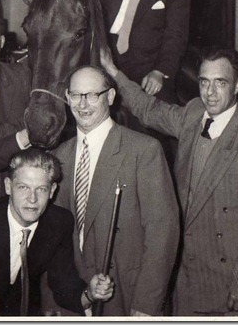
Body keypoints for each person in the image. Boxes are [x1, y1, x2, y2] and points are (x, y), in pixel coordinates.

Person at [100, 46, 238, 315]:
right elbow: (148, 109)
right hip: (189, 281)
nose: (210, 92)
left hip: (234, 288)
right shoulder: (193, 114)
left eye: (220, 83)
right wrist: (113, 72)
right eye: (204, 82)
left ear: (237, 85)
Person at [52, 65, 180, 316]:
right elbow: (53, 239)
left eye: (93, 95)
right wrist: (52, 301)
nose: (83, 104)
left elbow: (162, 233)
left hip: (125, 296)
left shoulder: (143, 150)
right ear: (67, 97)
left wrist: (146, 304)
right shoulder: (59, 156)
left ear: (110, 97)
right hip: (75, 299)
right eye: (76, 95)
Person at [0, 148, 114, 316]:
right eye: (23, 187)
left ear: (52, 191)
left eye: (41, 189)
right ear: (8, 186)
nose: (32, 198)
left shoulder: (58, 222)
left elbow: (64, 285)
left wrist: (91, 293)